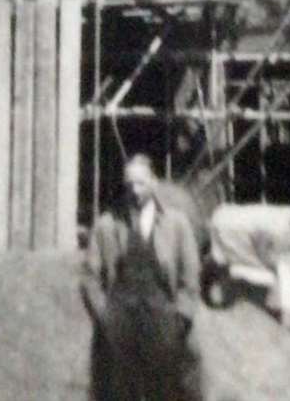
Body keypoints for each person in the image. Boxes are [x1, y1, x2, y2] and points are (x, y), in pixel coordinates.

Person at [80, 154, 203, 401]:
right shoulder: (106, 225)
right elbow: (90, 277)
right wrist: (105, 316)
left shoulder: (176, 224)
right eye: (129, 185)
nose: (135, 191)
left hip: (163, 319)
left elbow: (190, 275)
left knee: (170, 389)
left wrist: (182, 315)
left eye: (141, 183)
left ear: (154, 183)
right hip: (121, 322)